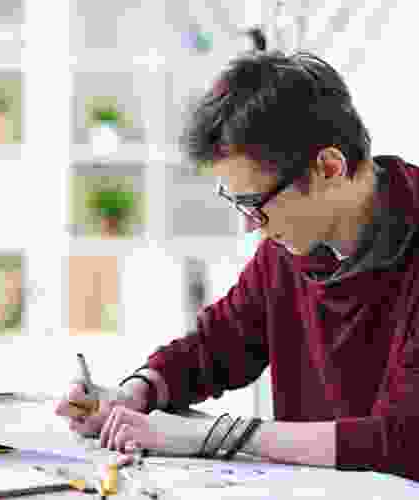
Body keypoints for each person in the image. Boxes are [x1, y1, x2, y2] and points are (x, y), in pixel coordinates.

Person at [55, 49, 419, 483]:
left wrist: (206, 436)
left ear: (328, 167)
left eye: (255, 204)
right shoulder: (294, 243)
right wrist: (133, 393)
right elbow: (218, 344)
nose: (250, 225)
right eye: (236, 202)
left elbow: (403, 440)